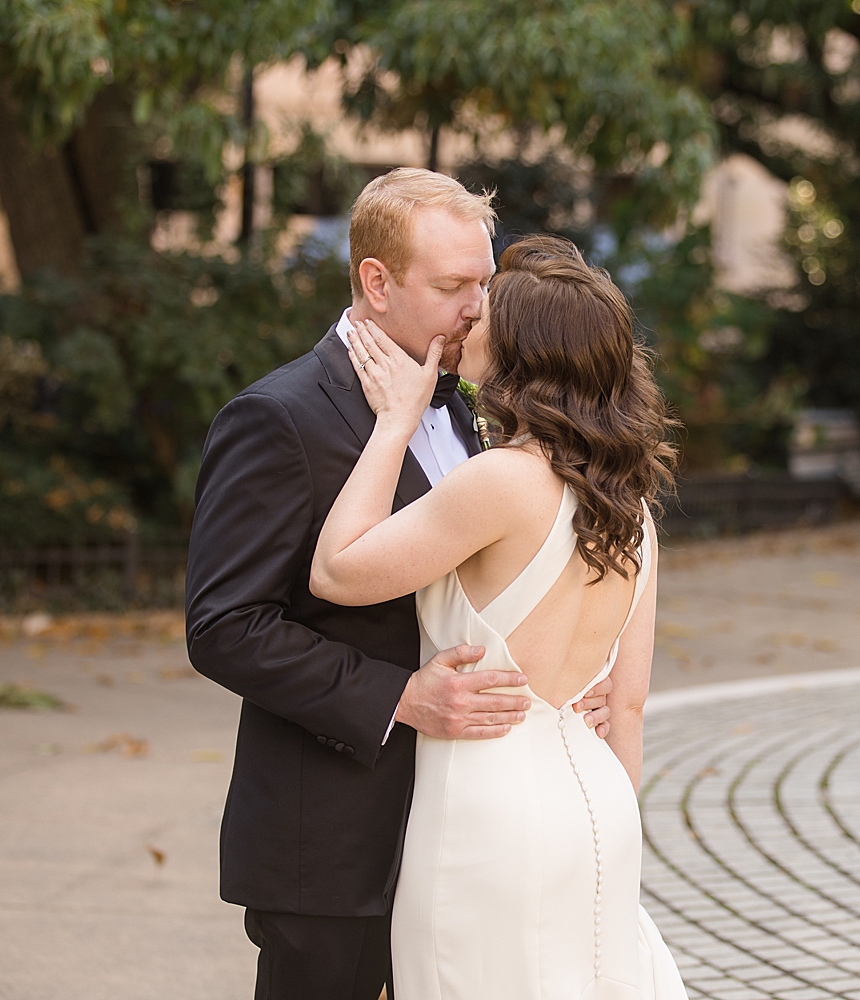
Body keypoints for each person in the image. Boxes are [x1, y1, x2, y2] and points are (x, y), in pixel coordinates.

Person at [185, 169, 614, 1000]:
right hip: (334, 841)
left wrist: (574, 686)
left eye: (483, 284)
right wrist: (398, 698)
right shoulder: (278, 417)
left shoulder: (473, 404)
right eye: (453, 286)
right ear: (375, 282)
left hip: (467, 829)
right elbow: (225, 625)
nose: (477, 309)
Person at [309, 233, 687, 999]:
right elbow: (627, 705)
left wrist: (392, 424)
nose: (468, 317)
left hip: (489, 811)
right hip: (600, 805)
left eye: (487, 313)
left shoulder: (502, 483)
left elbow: (336, 571)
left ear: (521, 353)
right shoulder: (634, 510)